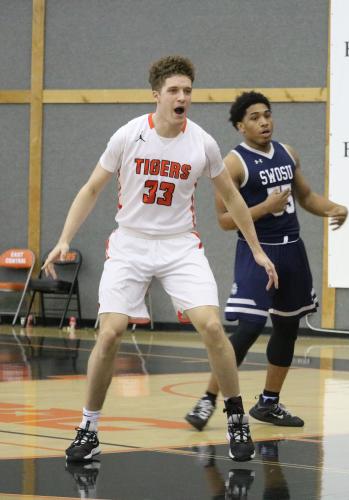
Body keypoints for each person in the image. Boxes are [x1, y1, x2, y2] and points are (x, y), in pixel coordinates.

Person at [43, 56, 278, 463]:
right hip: (131, 243)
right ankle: (88, 427)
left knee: (211, 326)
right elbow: (92, 188)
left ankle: (236, 418)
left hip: (179, 245)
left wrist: (257, 249)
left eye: (187, 90)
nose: (182, 96)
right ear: (157, 95)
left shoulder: (202, 142)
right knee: (111, 332)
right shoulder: (129, 135)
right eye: (174, 90)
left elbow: (233, 198)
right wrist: (64, 238)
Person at [185, 91, 348, 431]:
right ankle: (207, 399)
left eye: (267, 115)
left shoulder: (287, 153)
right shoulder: (232, 163)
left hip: (292, 250)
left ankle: (269, 403)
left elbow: (305, 197)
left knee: (288, 326)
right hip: (257, 251)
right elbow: (225, 220)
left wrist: (333, 207)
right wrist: (264, 208)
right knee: (248, 327)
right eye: (255, 117)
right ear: (240, 126)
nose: (264, 122)